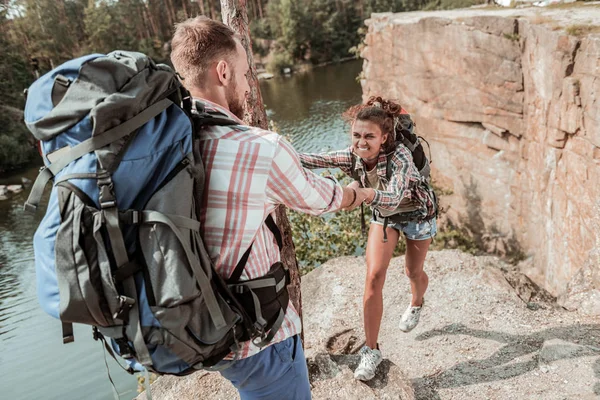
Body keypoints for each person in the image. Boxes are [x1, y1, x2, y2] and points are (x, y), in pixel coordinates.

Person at [170, 16, 361, 400]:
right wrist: (359, 194)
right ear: (222, 71)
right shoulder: (259, 147)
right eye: (243, 73)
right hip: (252, 335)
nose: (245, 83)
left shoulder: (171, 138)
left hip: (190, 320)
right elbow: (319, 199)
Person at [298, 97, 438, 381]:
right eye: (357, 135)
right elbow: (312, 159)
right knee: (373, 277)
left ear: (384, 137)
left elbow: (393, 197)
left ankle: (417, 301)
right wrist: (270, 149)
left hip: (417, 214)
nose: (361, 142)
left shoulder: (401, 157)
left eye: (369, 136)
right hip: (385, 218)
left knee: (413, 271)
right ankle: (371, 350)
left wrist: (364, 194)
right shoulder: (353, 155)